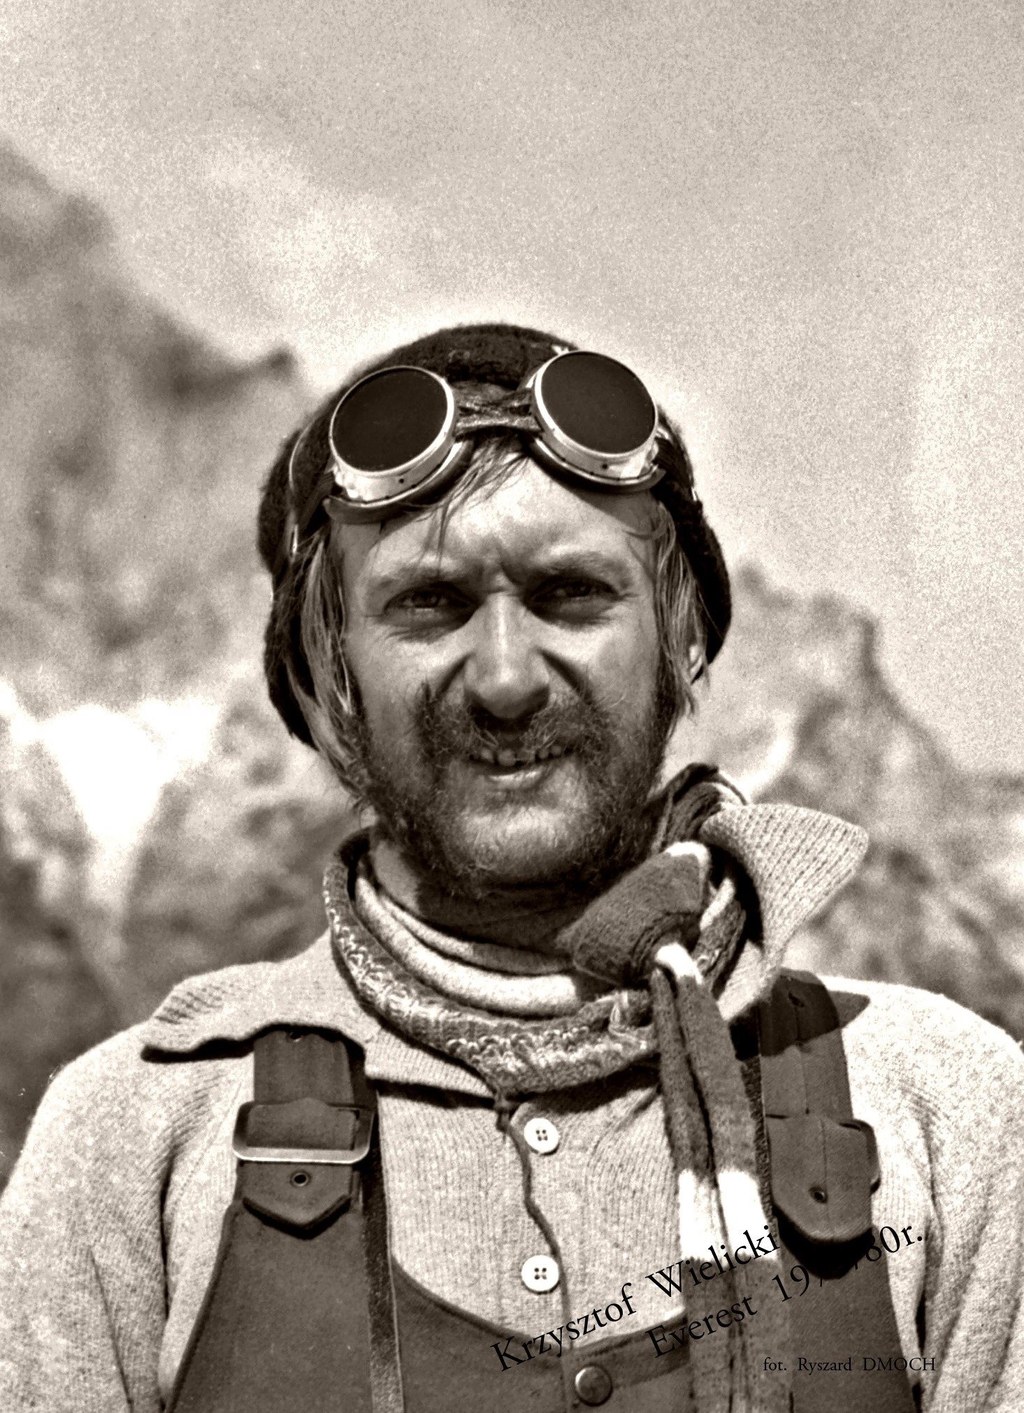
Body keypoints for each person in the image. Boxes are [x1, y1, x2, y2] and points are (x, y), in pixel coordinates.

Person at [1, 321, 1023, 1413]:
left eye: (570, 593)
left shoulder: (946, 1110)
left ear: (683, 641)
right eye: (428, 604)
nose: (503, 679)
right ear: (322, 683)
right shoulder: (136, 1138)